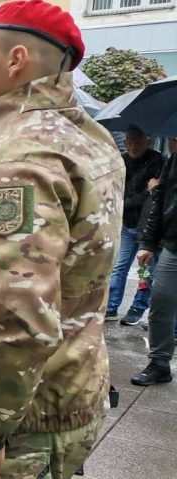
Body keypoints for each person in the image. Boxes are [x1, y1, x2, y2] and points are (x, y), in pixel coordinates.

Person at [0, 2, 123, 477]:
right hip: (65, 392)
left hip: (22, 420)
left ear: (16, 59)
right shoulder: (88, 137)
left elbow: (15, 315)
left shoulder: (18, 161)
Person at [106, 125, 164, 325]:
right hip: (127, 223)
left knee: (145, 271)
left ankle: (138, 308)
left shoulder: (158, 161)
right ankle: (111, 306)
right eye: (129, 141)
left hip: (147, 227)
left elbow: (151, 196)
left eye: (137, 142)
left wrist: (128, 201)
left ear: (147, 141)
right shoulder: (122, 161)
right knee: (119, 267)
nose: (132, 146)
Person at [134, 135, 177, 386]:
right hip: (173, 245)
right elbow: (160, 200)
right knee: (160, 304)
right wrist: (148, 243)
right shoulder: (173, 162)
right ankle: (159, 363)